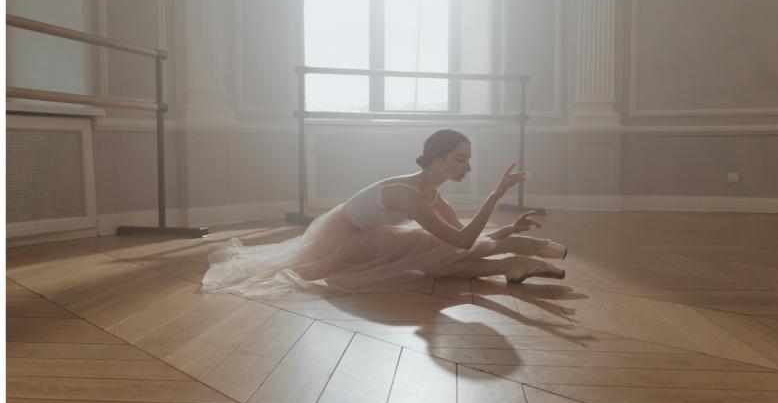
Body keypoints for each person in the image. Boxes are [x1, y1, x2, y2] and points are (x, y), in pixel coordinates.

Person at [202, 129, 567, 297]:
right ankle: (521, 257)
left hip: (368, 236)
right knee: (432, 251)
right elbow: (464, 239)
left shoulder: (431, 194)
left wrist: (506, 229)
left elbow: (463, 237)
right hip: (341, 239)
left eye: (469, 158)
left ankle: (514, 261)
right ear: (437, 159)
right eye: (460, 159)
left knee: (438, 254)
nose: (467, 167)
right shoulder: (410, 197)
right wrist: (496, 194)